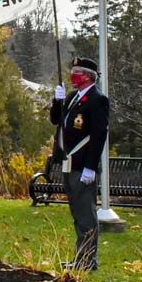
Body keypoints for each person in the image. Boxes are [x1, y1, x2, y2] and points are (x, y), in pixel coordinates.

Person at [50, 57, 110, 271]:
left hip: (82, 165)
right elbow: (56, 121)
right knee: (77, 214)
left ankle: (87, 260)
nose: (73, 75)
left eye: (77, 71)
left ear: (88, 76)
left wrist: (90, 167)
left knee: (86, 215)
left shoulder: (97, 100)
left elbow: (98, 135)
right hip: (69, 163)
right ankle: (80, 257)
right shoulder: (73, 97)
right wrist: (58, 102)